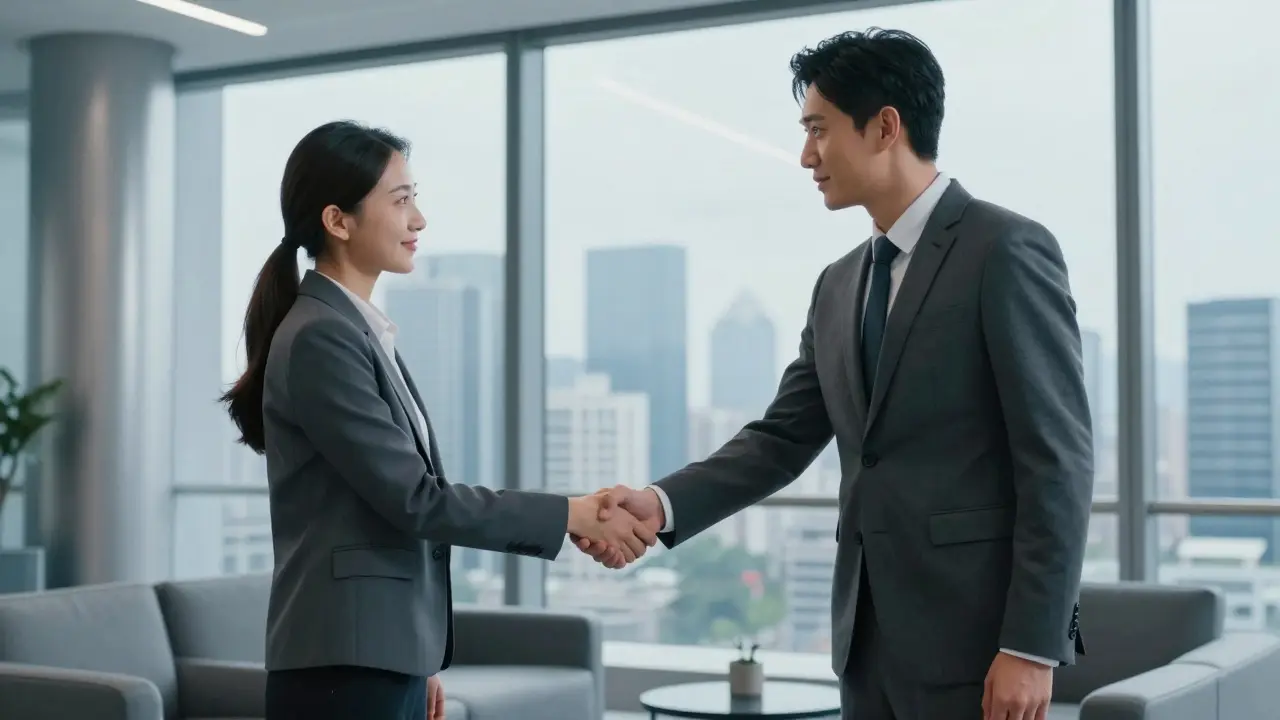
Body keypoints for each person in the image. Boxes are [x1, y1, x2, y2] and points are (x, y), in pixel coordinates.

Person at [579, 28, 1093, 720]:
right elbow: (780, 440)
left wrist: (1032, 648)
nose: (805, 156)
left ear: (885, 127)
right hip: (866, 643)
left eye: (818, 130)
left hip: (977, 644)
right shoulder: (838, 283)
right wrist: (660, 505)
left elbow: (1057, 462)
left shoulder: (1004, 250)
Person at [221, 120, 656, 720]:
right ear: (337, 221)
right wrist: (572, 513)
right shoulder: (323, 336)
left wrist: (416, 655)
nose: (419, 220)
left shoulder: (356, 331)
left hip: (376, 655)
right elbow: (416, 501)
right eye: (400, 201)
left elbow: (380, 514)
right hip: (342, 670)